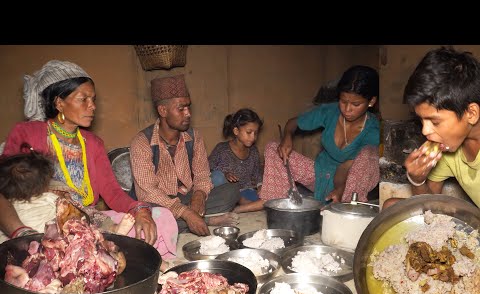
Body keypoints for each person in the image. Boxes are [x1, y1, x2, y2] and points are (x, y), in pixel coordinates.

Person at [0, 60, 178, 270]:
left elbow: (112, 192)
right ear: (59, 103)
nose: (92, 106)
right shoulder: (27, 133)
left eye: (93, 99)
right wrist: (20, 232)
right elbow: (3, 188)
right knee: (32, 246)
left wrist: (140, 210)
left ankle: (101, 254)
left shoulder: (93, 143)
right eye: (83, 99)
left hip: (88, 219)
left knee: (161, 218)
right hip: (40, 220)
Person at [234, 65, 380, 213]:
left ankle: (345, 211)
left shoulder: (372, 130)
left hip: (347, 186)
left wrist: (340, 189)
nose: (347, 109)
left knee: (368, 156)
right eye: (343, 101)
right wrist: (287, 137)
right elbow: (292, 123)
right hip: (319, 174)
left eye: (355, 104)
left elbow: (348, 168)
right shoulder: (331, 112)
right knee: (273, 147)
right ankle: (275, 204)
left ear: (371, 101)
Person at [129, 74, 241, 236]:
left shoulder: (194, 137)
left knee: (232, 191)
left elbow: (202, 175)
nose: (188, 113)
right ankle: (203, 220)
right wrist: (187, 213)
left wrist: (199, 196)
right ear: (163, 110)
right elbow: (148, 192)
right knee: (150, 215)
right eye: (181, 108)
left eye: (188, 107)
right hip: (158, 203)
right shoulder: (141, 142)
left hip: (186, 197)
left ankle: (186, 221)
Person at [384, 46, 480, 209]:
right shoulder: (449, 147)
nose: (425, 131)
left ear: (471, 113)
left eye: (435, 122)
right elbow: (430, 205)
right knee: (390, 206)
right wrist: (417, 180)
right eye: (421, 120)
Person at [0, 151, 135, 242]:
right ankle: (113, 232)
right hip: (60, 238)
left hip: (24, 244)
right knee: (85, 222)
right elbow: (76, 213)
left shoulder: (8, 208)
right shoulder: (49, 197)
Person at [209, 108, 263, 205]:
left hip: (246, 191)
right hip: (225, 192)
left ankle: (240, 205)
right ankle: (241, 204)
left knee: (266, 198)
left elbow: (257, 173)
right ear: (236, 131)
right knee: (217, 177)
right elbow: (207, 170)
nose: (253, 137)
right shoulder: (222, 149)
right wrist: (224, 174)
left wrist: (260, 186)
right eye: (249, 132)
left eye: (256, 133)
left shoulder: (253, 151)